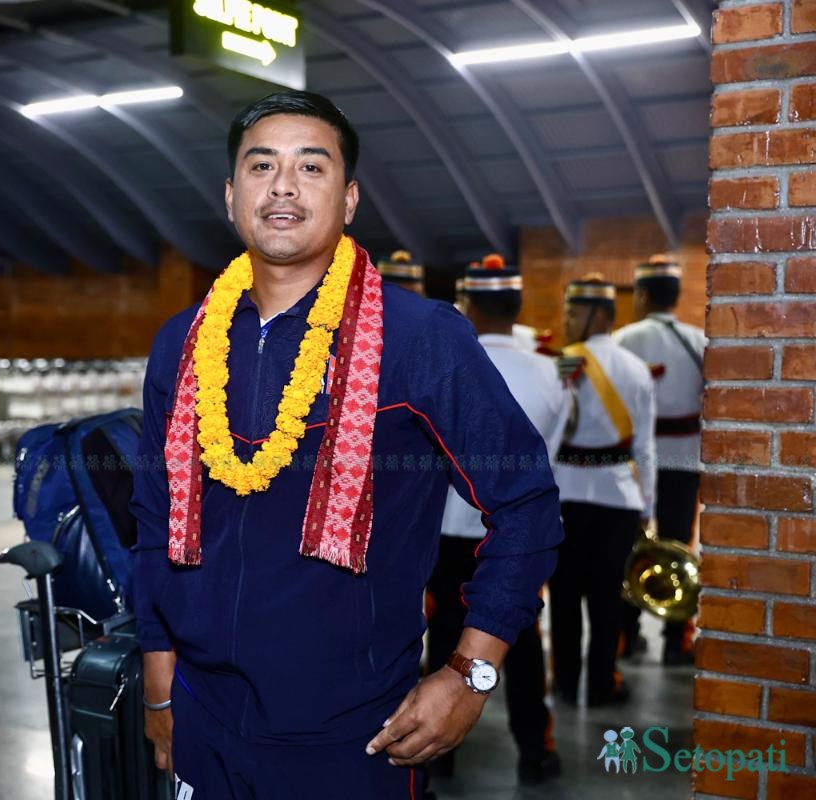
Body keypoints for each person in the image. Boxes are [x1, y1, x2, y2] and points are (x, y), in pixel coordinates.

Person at [131, 90, 563, 797]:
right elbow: (154, 512)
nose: (284, 186)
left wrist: (470, 671)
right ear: (232, 194)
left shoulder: (420, 337)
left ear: (350, 197)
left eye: (312, 166)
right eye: (262, 165)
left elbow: (527, 504)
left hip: (353, 732)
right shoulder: (182, 340)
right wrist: (156, 668)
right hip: (201, 715)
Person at [429, 255, 569, 786]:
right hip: (516, 538)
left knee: (444, 638)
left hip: (447, 534)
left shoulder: (447, 364)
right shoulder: (551, 374)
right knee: (523, 643)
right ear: (516, 307)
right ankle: (534, 751)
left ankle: (436, 751)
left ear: (467, 305)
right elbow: (547, 463)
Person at [550, 275, 656, 708]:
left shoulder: (563, 364)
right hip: (618, 499)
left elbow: (550, 435)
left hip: (567, 496)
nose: (567, 319)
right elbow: (646, 447)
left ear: (601, 316)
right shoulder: (637, 369)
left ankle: (564, 681)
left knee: (564, 596)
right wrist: (647, 504)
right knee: (606, 598)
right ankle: (599, 685)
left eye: (574, 312)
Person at [613, 255, 705, 665]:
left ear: (644, 294)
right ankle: (674, 638)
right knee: (677, 548)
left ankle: (627, 634)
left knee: (632, 547)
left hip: (634, 462)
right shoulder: (699, 341)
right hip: (685, 460)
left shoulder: (624, 340)